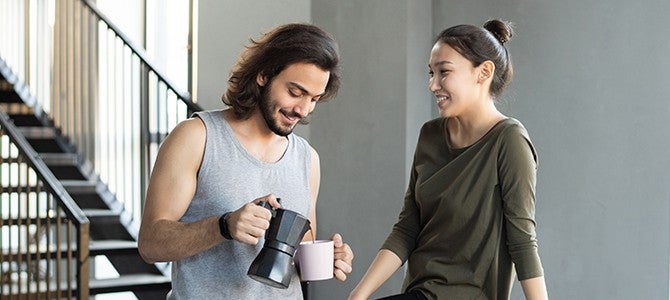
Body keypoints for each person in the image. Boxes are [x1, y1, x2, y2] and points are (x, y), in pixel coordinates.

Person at [137, 23, 354, 299]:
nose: (303, 109)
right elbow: (150, 244)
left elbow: (296, 256)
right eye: (295, 92)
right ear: (263, 75)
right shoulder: (196, 137)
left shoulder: (307, 159)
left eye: (314, 99)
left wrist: (328, 258)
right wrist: (223, 226)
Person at [349, 20, 548, 300]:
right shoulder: (430, 135)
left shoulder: (509, 140)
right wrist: (358, 295)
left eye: (444, 72)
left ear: (484, 72)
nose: (432, 84)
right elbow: (408, 227)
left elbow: (523, 241)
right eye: (431, 73)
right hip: (420, 292)